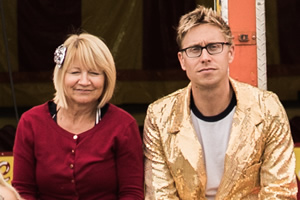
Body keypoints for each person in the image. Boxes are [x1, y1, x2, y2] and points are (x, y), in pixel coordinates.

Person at [143, 5, 297, 199]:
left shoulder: (267, 108)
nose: (205, 57)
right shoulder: (160, 116)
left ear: (230, 52)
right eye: (194, 50)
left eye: (214, 47)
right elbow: (160, 195)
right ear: (182, 60)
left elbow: (280, 191)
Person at [12, 32, 144, 199]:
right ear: (61, 76)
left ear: (106, 78)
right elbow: (23, 191)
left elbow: (131, 193)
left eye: (94, 73)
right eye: (75, 72)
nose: (84, 81)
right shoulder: (31, 122)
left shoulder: (123, 126)